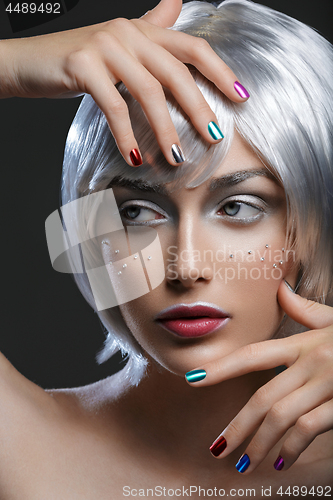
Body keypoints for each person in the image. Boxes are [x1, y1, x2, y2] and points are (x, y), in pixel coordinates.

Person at [0, 0, 332, 497]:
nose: (186, 267)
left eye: (239, 207)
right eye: (137, 212)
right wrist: (8, 65)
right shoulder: (19, 442)